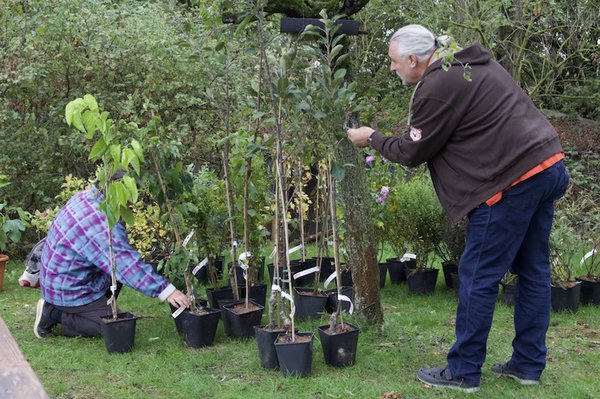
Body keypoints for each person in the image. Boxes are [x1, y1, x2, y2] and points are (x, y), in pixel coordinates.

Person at [347, 24, 570, 393]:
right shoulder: (468, 64)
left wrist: (370, 137)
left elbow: (413, 152)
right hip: (546, 164)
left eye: (393, 62)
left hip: (510, 182)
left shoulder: (437, 86)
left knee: (477, 276)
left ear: (414, 60)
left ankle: (463, 371)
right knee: (533, 271)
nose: (392, 68)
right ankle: (528, 365)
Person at [34, 182, 191, 339]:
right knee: (116, 327)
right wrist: (167, 291)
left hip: (69, 276)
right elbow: (124, 264)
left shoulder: (88, 197)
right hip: (68, 289)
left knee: (117, 275)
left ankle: (91, 309)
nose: (133, 200)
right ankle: (53, 313)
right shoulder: (101, 222)